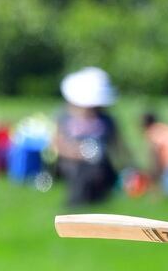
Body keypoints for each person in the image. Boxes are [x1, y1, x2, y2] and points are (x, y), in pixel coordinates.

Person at [54, 67, 135, 206]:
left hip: (101, 165)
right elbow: (57, 143)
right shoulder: (65, 117)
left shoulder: (107, 120)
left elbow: (118, 146)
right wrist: (79, 154)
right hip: (72, 164)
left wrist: (130, 168)